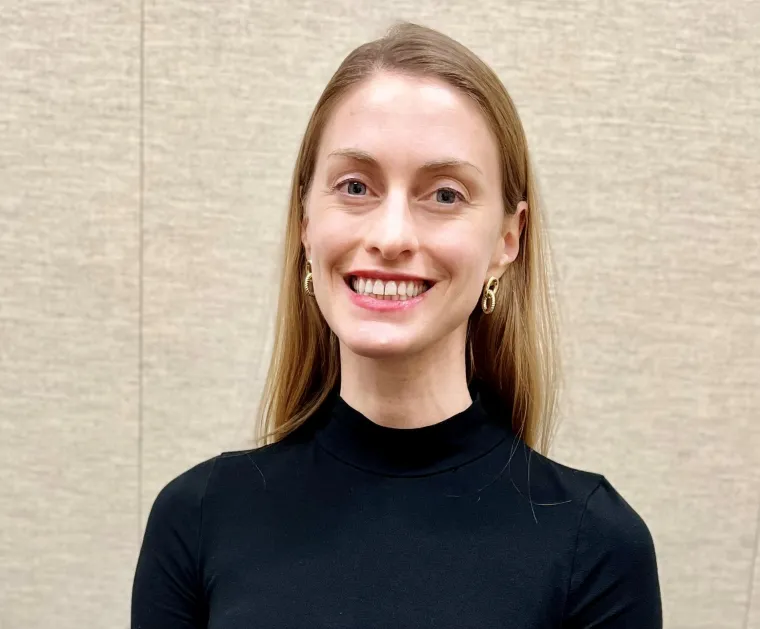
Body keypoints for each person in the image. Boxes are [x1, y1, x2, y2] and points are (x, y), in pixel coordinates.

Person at [131, 21, 662, 629]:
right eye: (355, 186)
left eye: (444, 195)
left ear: (507, 240)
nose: (390, 237)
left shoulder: (595, 545)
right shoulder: (198, 519)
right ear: (305, 222)